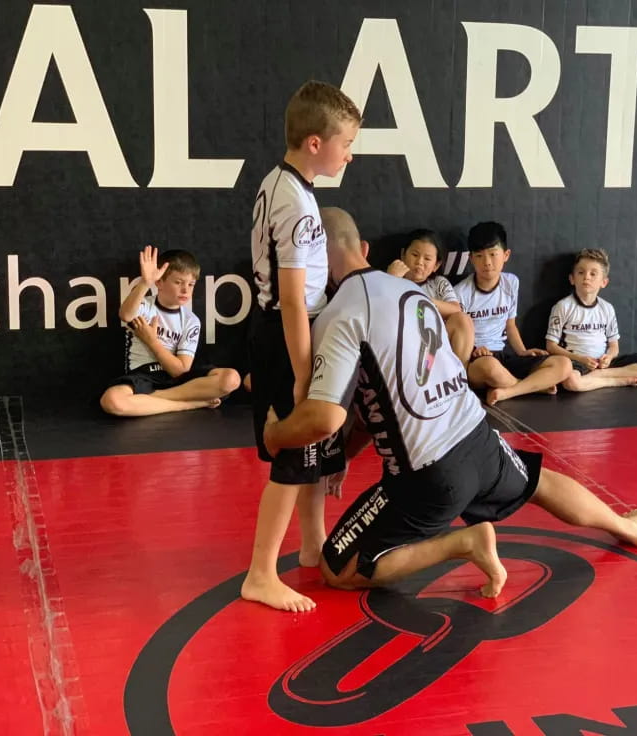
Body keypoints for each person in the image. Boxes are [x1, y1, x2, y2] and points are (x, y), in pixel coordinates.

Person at [262, 207, 637, 601]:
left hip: (429, 476)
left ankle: (463, 544)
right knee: (539, 483)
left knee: (336, 566)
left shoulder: (340, 313)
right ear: (364, 247)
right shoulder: (412, 291)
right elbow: (382, 395)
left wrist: (276, 434)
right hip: (478, 436)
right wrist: (346, 454)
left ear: (312, 260)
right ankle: (628, 526)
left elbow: (325, 417)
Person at [241, 81, 361, 613]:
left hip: (288, 326)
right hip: (287, 331)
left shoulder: (283, 184)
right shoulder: (299, 205)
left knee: (316, 448)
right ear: (316, 143)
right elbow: (291, 299)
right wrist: (302, 368)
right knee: (293, 453)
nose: (349, 154)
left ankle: (313, 545)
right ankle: (261, 573)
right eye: (345, 143)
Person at [100, 246, 240, 416]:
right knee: (112, 401)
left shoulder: (191, 320)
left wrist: (151, 341)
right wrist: (145, 282)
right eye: (178, 282)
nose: (185, 290)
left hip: (179, 382)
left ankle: (153, 399)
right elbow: (126, 314)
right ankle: (189, 404)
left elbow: (180, 371)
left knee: (231, 379)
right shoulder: (145, 306)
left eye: (191, 284)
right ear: (159, 282)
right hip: (144, 376)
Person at [453, 221, 572, 405]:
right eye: (480, 256)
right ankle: (533, 387)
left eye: (493, 254)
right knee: (490, 368)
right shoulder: (461, 292)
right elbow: (458, 335)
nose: (487, 263)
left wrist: (523, 351)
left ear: (506, 255)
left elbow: (510, 325)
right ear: (471, 259)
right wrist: (475, 350)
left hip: (503, 355)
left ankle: (508, 392)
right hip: (477, 361)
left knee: (564, 365)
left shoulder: (511, 283)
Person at [546, 249, 637, 391]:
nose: (586, 277)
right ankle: (615, 381)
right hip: (577, 363)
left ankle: (600, 376)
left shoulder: (607, 308)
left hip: (603, 364)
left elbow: (614, 346)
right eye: (581, 273)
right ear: (572, 278)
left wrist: (608, 357)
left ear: (604, 282)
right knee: (571, 382)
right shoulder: (563, 307)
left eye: (593, 274)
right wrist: (580, 359)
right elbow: (551, 346)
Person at [386, 229, 474, 363]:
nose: (420, 262)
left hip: (436, 345)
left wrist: (422, 299)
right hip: (405, 345)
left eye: (427, 258)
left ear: (436, 265)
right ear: (403, 255)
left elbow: (456, 309)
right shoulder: (392, 279)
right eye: (415, 255)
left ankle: (460, 376)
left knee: (463, 319)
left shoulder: (438, 283)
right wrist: (390, 281)